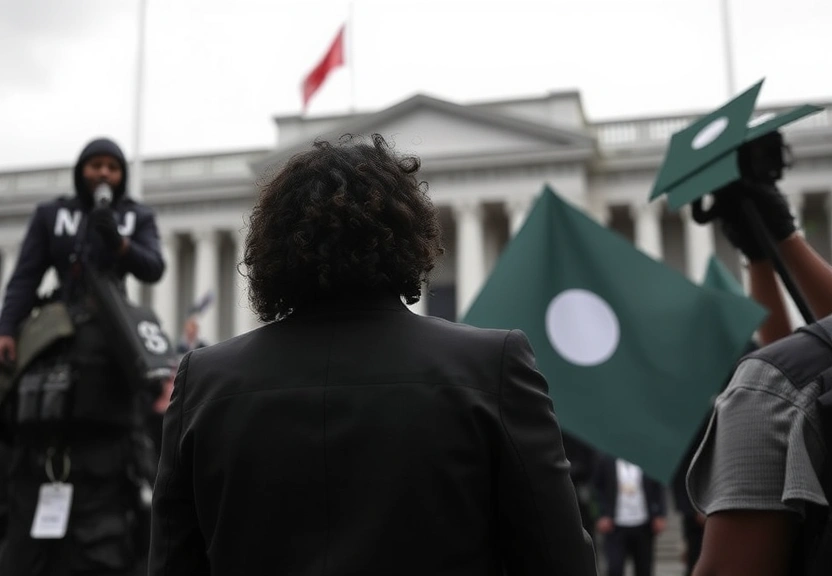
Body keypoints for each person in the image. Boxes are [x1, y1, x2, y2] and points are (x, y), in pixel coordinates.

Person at [149, 134, 597, 575]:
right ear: (408, 235)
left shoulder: (203, 382)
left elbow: (173, 562)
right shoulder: (491, 366)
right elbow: (560, 560)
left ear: (272, 244)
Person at [0, 137, 165, 575]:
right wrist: (7, 329)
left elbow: (153, 266)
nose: (104, 173)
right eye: (95, 165)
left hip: (111, 335)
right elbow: (25, 277)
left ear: (122, 176)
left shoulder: (135, 216)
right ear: (81, 171)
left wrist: (120, 245)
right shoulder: (51, 214)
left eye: (112, 166)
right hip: (57, 330)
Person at [687, 181, 832, 576]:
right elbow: (805, 361)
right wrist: (776, 245)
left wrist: (781, 241)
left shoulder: (764, 389)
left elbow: (790, 376)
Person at [593, 454, 666, 576]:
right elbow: (597, 488)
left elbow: (658, 487)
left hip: (643, 523)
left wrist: (660, 514)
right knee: (615, 568)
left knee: (644, 568)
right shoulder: (606, 459)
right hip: (615, 525)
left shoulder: (648, 459)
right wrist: (601, 514)